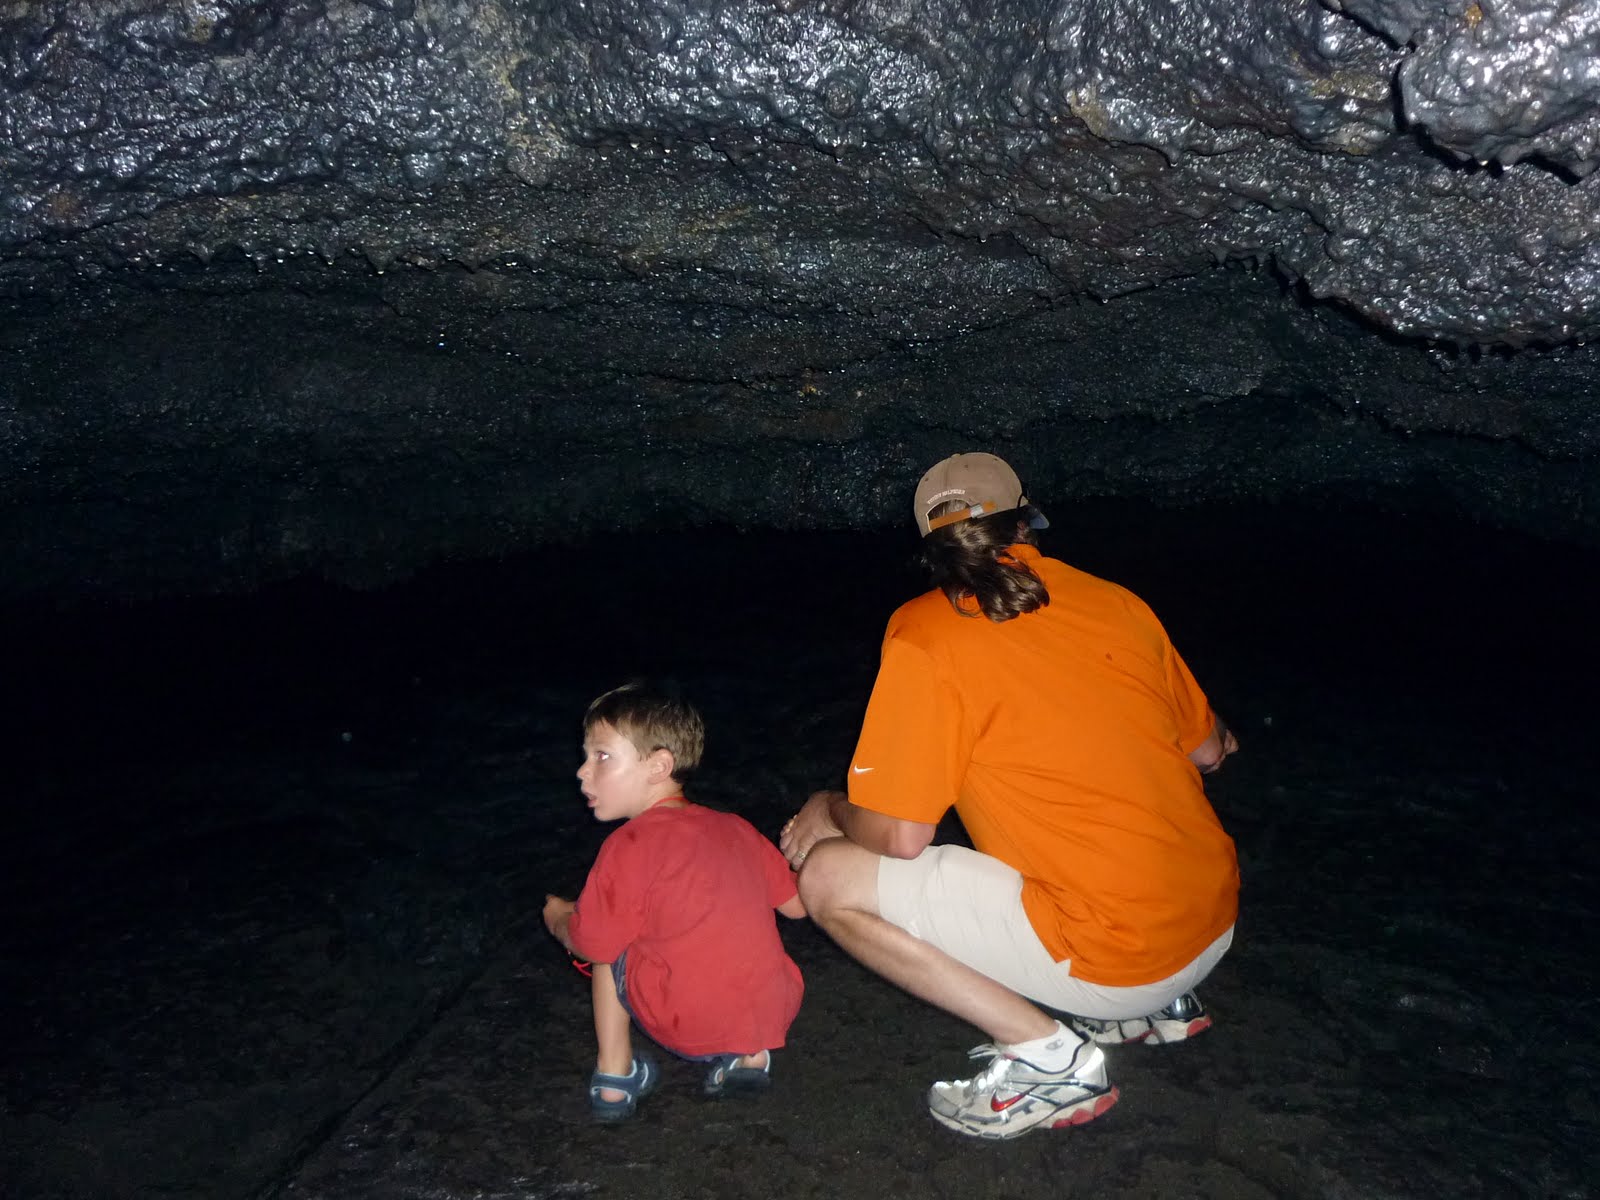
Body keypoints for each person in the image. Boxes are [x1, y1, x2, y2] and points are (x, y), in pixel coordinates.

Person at [780, 452, 1239, 1140]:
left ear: (930, 546)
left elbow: (901, 836)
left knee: (828, 877)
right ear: (1028, 517)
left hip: (1121, 956)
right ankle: (1156, 1009)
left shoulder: (925, 632)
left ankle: (1048, 1059)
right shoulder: (1118, 602)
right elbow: (1211, 751)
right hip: (1212, 918)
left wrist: (828, 809)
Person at [544, 681, 807, 1122]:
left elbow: (591, 945)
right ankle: (748, 1055)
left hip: (688, 1018)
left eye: (601, 756)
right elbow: (798, 905)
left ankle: (615, 1076)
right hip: (773, 1009)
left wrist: (558, 917)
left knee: (610, 938)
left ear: (658, 766)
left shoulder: (628, 844)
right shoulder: (736, 827)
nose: (582, 772)